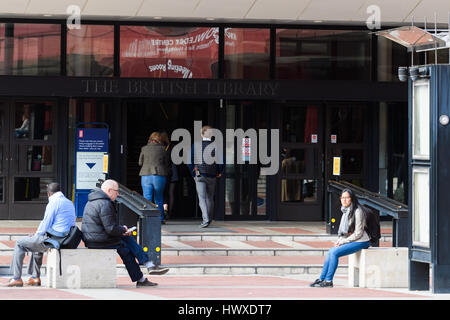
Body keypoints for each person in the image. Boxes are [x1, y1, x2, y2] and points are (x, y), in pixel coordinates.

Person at [81, 179, 166, 288]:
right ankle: (147, 267)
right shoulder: (105, 203)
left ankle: (144, 273)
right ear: (109, 190)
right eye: (116, 191)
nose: (117, 194)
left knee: (125, 242)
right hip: (98, 240)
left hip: (92, 238)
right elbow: (111, 229)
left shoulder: (93, 200)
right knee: (126, 248)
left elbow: (107, 227)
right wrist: (123, 229)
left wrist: (122, 231)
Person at [7, 183, 76, 287]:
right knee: (37, 242)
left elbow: (46, 223)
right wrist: (37, 236)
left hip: (55, 240)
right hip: (67, 238)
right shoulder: (69, 202)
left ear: (49, 194)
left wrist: (36, 235)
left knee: (19, 243)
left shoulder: (53, 203)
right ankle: (35, 278)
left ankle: (16, 278)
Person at [310, 188, 371, 288]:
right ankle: (322, 278)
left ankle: (329, 281)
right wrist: (339, 240)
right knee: (330, 252)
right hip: (352, 239)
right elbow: (343, 232)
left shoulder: (358, 211)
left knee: (334, 253)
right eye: (342, 198)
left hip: (362, 241)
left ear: (352, 199)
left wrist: (344, 241)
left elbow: (359, 233)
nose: (344, 200)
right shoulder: (345, 211)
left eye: (347, 198)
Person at [188, 125, 224, 228]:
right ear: (211, 134)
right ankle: (209, 218)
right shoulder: (216, 145)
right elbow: (221, 162)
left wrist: (193, 174)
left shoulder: (196, 145)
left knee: (202, 198)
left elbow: (189, 162)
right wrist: (219, 172)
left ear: (201, 134)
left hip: (199, 174)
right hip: (212, 174)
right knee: (210, 198)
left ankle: (205, 219)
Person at [139, 132, 170, 224]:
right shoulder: (163, 149)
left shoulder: (144, 148)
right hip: (159, 175)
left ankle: (147, 219)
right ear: (160, 140)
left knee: (147, 198)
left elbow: (140, 162)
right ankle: (160, 219)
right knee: (159, 198)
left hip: (146, 175)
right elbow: (167, 163)